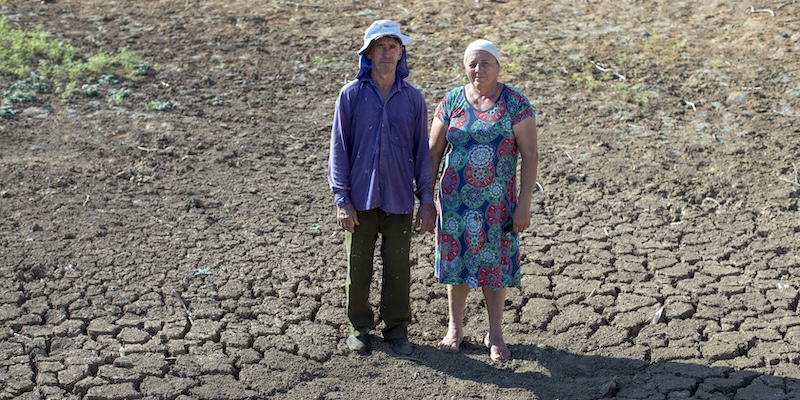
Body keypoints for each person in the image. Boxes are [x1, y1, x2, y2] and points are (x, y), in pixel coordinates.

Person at [328, 20, 436, 356]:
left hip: (400, 199)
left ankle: (396, 329)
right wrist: (342, 200)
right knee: (357, 266)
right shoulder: (351, 95)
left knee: (398, 266)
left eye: (393, 47)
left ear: (401, 53)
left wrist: (427, 199)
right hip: (360, 198)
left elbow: (422, 153)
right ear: (369, 53)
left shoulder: (414, 99)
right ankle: (358, 328)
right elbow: (338, 149)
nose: (386, 53)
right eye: (380, 47)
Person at [428, 39, 538, 362]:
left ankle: (495, 333)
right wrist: (423, 196)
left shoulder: (516, 104)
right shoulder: (451, 102)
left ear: (498, 66)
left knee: (494, 267)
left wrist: (524, 204)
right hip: (454, 203)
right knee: (456, 265)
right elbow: (434, 151)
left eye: (485, 63)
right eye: (472, 64)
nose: (478, 69)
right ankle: (455, 328)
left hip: (497, 205)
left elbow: (529, 155)